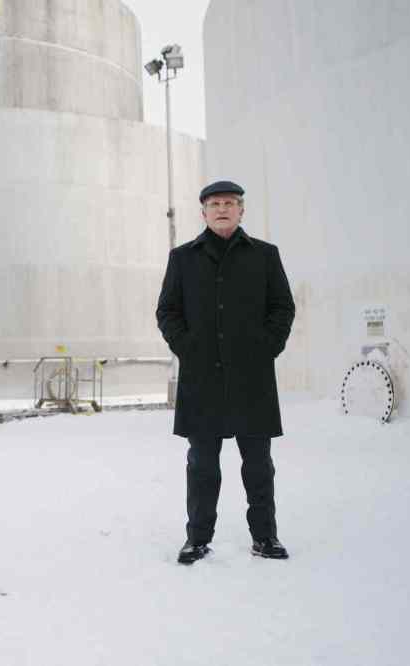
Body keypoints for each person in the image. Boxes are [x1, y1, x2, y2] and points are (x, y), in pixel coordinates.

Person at [156, 180, 296, 564]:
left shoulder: (265, 256)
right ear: (203, 212)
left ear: (241, 210)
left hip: (252, 378)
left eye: (230, 203)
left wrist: (267, 346)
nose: (222, 208)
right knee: (202, 464)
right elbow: (167, 310)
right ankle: (197, 539)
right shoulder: (183, 258)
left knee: (258, 464)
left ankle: (265, 537)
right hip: (202, 379)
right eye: (215, 203)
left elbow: (282, 308)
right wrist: (185, 346)